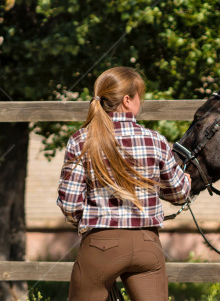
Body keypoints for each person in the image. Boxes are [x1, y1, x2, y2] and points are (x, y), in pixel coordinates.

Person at [57, 67, 191, 300]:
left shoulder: (82, 139)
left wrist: (88, 221)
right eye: (140, 96)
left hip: (100, 245)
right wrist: (185, 181)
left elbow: (69, 203)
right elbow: (179, 194)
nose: (142, 101)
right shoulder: (156, 140)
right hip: (147, 244)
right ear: (127, 100)